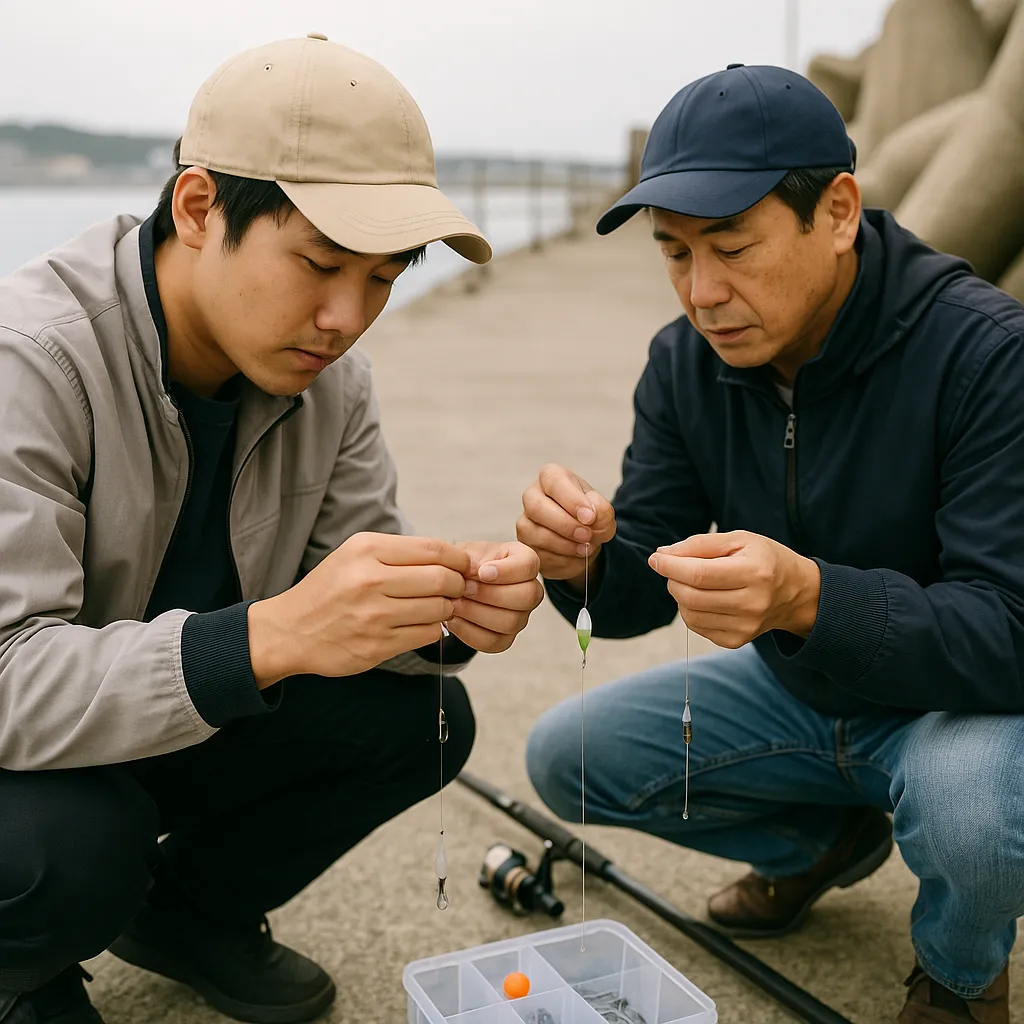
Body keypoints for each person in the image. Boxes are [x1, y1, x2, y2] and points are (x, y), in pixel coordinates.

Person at [0, 35, 544, 1024]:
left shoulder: (330, 382)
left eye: (384, 277)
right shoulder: (28, 359)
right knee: (72, 852)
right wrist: (273, 634)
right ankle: (25, 970)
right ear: (200, 208)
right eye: (321, 263)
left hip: (160, 714)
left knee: (421, 724)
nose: (346, 317)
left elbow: (352, 586)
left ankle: (188, 915)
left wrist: (448, 614)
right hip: (26, 752)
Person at [518, 64, 1024, 1024]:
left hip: (953, 708)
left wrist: (808, 599)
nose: (703, 293)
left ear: (836, 212)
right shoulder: (684, 364)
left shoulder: (987, 353)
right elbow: (631, 601)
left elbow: (1013, 631)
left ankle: (961, 975)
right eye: (674, 254)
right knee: (567, 756)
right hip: (793, 692)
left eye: (734, 248)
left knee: (972, 809)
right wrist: (577, 560)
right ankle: (825, 843)